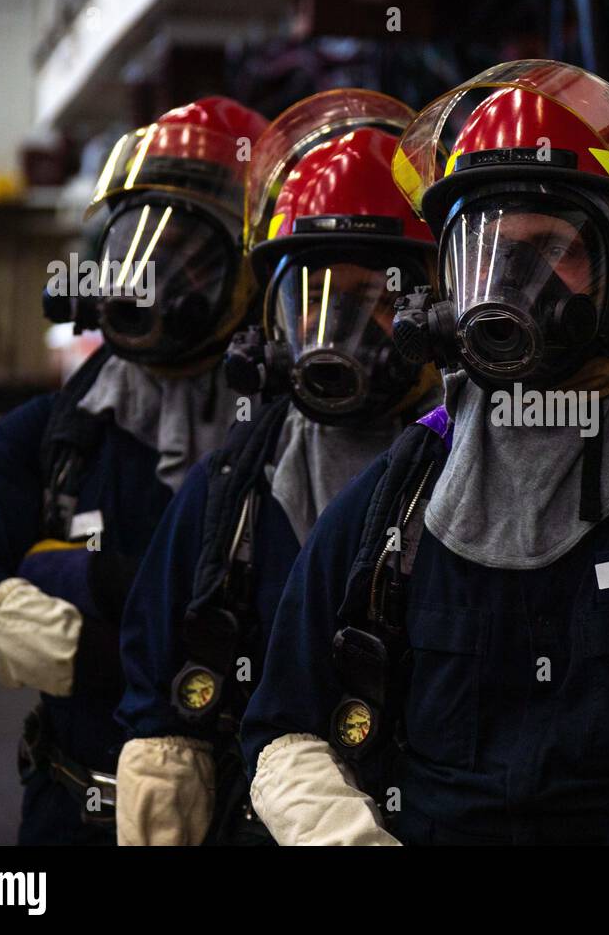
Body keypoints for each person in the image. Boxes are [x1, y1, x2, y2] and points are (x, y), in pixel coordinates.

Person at [238, 59, 609, 845]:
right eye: (485, 249)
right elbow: (284, 727)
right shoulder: (394, 502)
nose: (508, 283)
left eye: (552, 246)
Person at [0, 97, 269, 844]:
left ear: (250, 275)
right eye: (138, 239)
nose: (153, 278)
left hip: (240, 820)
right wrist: (127, 638)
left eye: (191, 251)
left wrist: (72, 585)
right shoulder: (50, 437)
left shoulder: (286, 444)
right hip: (75, 809)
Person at [114, 90, 440, 845]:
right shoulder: (231, 489)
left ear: (434, 300)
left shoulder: (471, 484)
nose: (335, 335)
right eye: (312, 300)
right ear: (271, 315)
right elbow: (162, 724)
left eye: (371, 299)